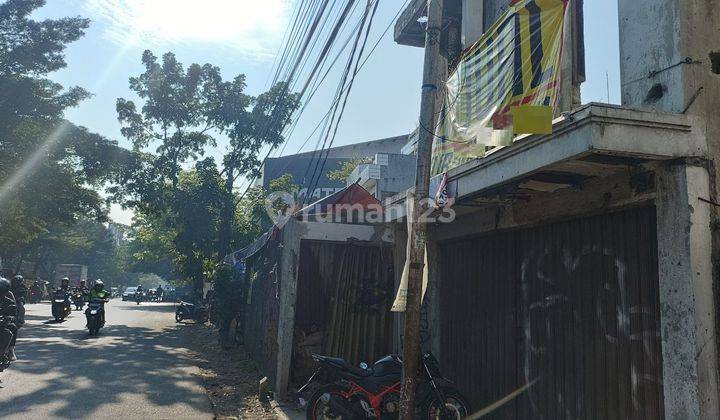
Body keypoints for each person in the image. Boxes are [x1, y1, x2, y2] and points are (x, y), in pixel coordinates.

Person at [0, 277, 18, 362]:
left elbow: (13, 313)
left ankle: (11, 350)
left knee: (13, 327)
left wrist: (9, 318)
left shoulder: (9, 301)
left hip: (3, 323)